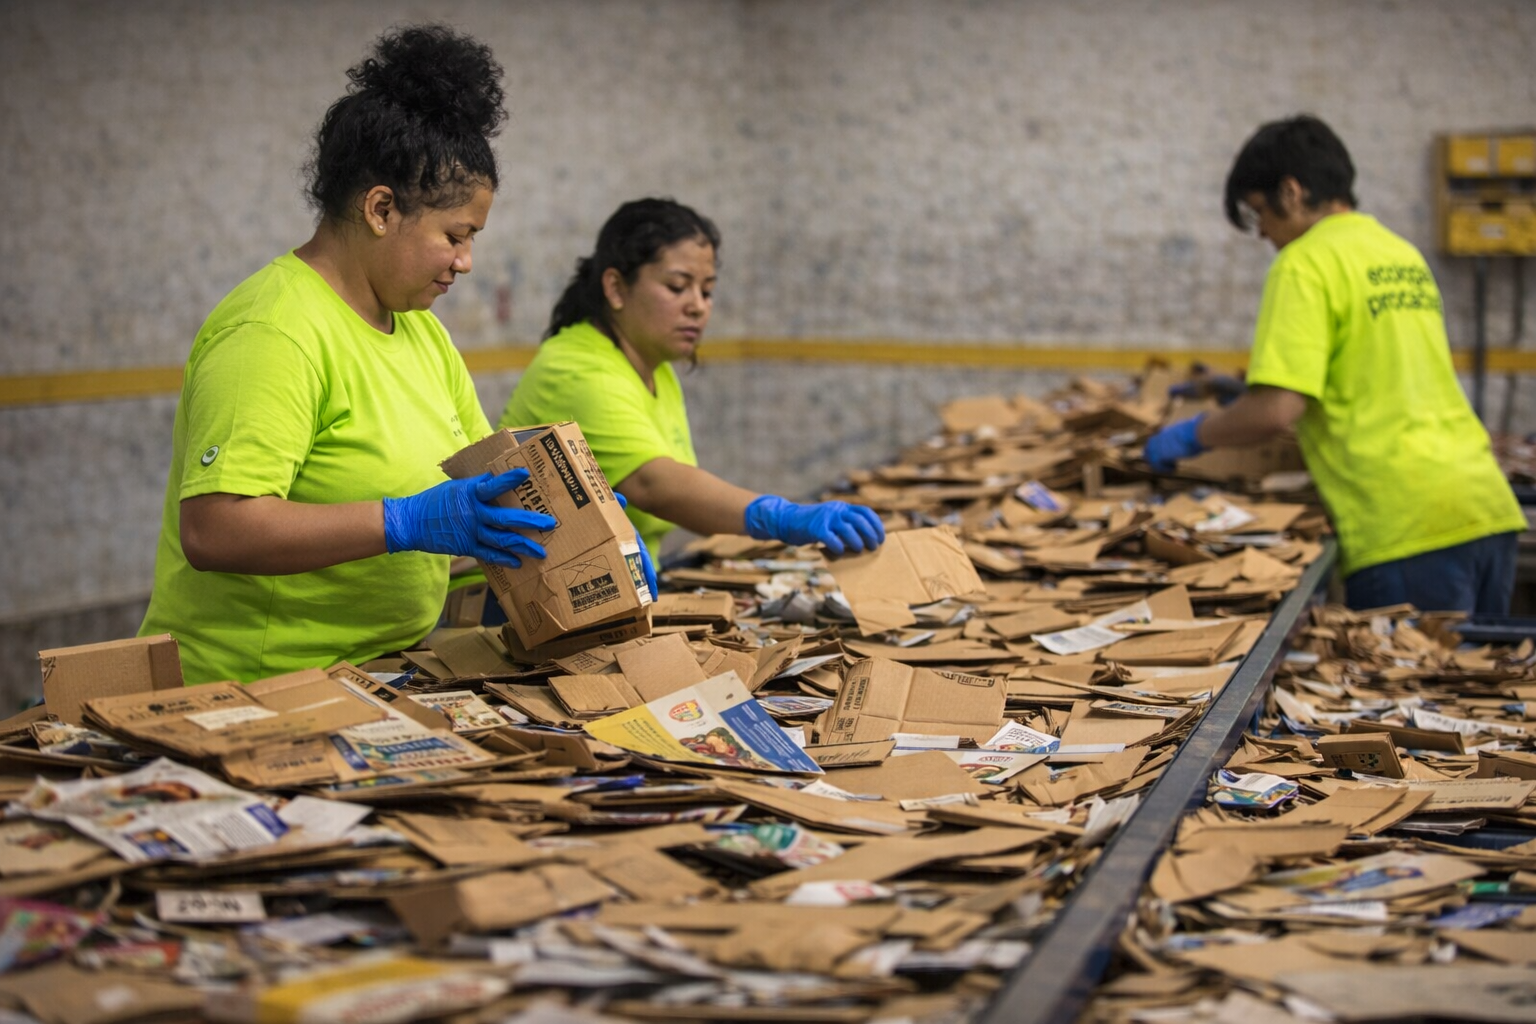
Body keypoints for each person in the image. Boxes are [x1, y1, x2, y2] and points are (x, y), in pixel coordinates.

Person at [139, 25, 580, 684]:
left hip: (382, 673)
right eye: (455, 236)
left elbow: (487, 482)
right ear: (381, 209)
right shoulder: (274, 331)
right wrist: (402, 522)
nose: (466, 262)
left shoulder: (419, 331)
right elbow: (215, 531)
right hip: (253, 688)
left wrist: (576, 526)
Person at [1144, 115, 1524, 614]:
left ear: (1293, 191)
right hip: (1485, 506)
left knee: (1403, 691)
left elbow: (1276, 410)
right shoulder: (1399, 253)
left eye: (1261, 211)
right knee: (1470, 689)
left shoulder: (1303, 263)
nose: (1262, 232)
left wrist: (1192, 434)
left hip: (1405, 526)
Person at [500, 198, 885, 561]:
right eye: (677, 287)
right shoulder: (578, 371)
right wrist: (779, 516)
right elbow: (656, 486)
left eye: (707, 290)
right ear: (616, 287)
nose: (698, 306)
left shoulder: (656, 368)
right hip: (514, 607)